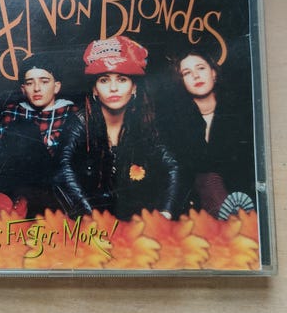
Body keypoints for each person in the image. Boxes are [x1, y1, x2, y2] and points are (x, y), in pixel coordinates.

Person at [53, 36, 181, 221]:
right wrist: (90, 215)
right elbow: (62, 169)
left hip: (133, 219)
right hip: (88, 220)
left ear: (134, 88)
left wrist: (166, 211)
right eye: (104, 80)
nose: (113, 88)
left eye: (122, 79)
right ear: (95, 90)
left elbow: (172, 166)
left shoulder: (145, 121)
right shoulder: (80, 121)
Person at [159, 49, 255, 219]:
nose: (196, 76)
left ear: (213, 73)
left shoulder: (241, 112)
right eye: (187, 73)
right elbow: (183, 174)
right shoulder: (174, 122)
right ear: (182, 82)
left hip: (245, 200)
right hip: (196, 208)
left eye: (201, 68)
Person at [0, 55, 77, 217]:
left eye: (44, 82)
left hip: (54, 192)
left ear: (56, 86)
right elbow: (0, 160)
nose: (37, 88)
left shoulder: (71, 113)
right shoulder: (11, 113)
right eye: (30, 83)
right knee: (21, 127)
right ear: (23, 89)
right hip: (15, 191)